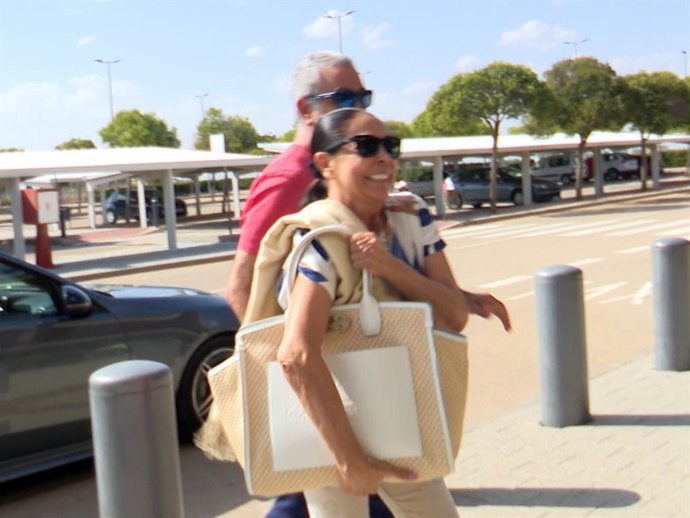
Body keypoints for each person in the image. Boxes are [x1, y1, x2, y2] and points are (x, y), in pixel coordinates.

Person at [240, 107, 511, 517]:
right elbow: (295, 356)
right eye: (366, 147)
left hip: (400, 415)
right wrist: (350, 461)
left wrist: (389, 267)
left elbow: (454, 315)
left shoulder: (410, 217)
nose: (384, 157)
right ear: (325, 164)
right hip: (330, 434)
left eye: (390, 145)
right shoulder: (320, 242)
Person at [225, 51, 394, 518]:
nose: (355, 104)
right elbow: (241, 285)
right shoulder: (289, 176)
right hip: (317, 374)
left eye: (362, 94)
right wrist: (287, 376)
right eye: (342, 96)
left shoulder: (337, 163)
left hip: (341, 373)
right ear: (304, 109)